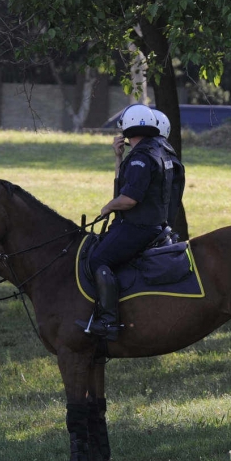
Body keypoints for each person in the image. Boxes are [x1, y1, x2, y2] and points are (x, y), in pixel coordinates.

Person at [79, 103, 184, 340]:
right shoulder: (156, 151)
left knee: (98, 259)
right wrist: (119, 158)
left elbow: (128, 199)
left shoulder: (142, 157)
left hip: (138, 226)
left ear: (128, 127)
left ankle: (108, 321)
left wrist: (108, 207)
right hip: (152, 224)